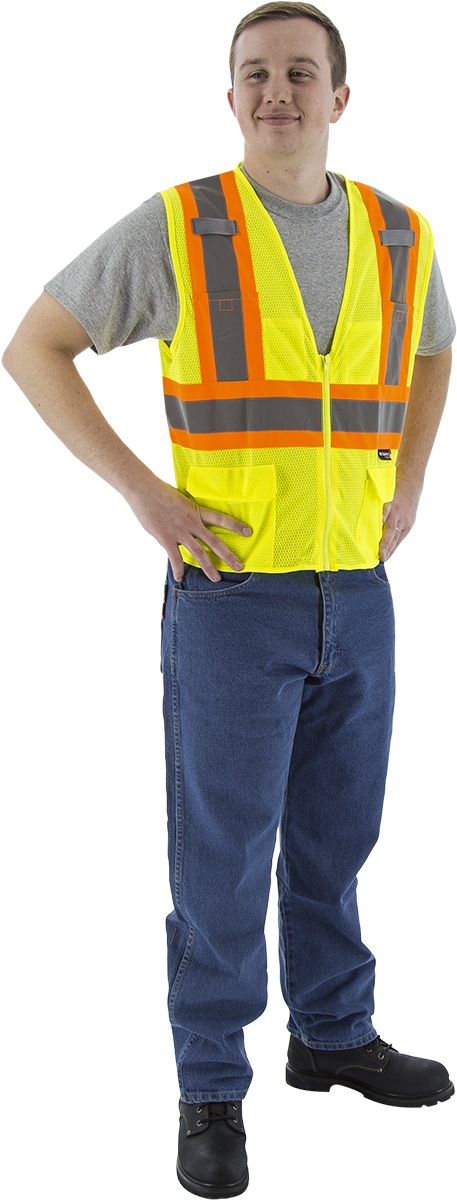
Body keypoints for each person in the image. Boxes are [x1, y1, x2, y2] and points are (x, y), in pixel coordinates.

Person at [2, 2, 455, 1196]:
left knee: (337, 837)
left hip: (358, 590)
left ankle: (333, 1036)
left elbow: (433, 349)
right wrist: (143, 494)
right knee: (222, 857)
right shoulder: (181, 227)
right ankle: (210, 1085)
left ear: (339, 97)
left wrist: (409, 479)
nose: (276, 92)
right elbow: (33, 345)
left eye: (300, 72)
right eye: (255, 73)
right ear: (231, 96)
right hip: (230, 597)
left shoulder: (400, 233)